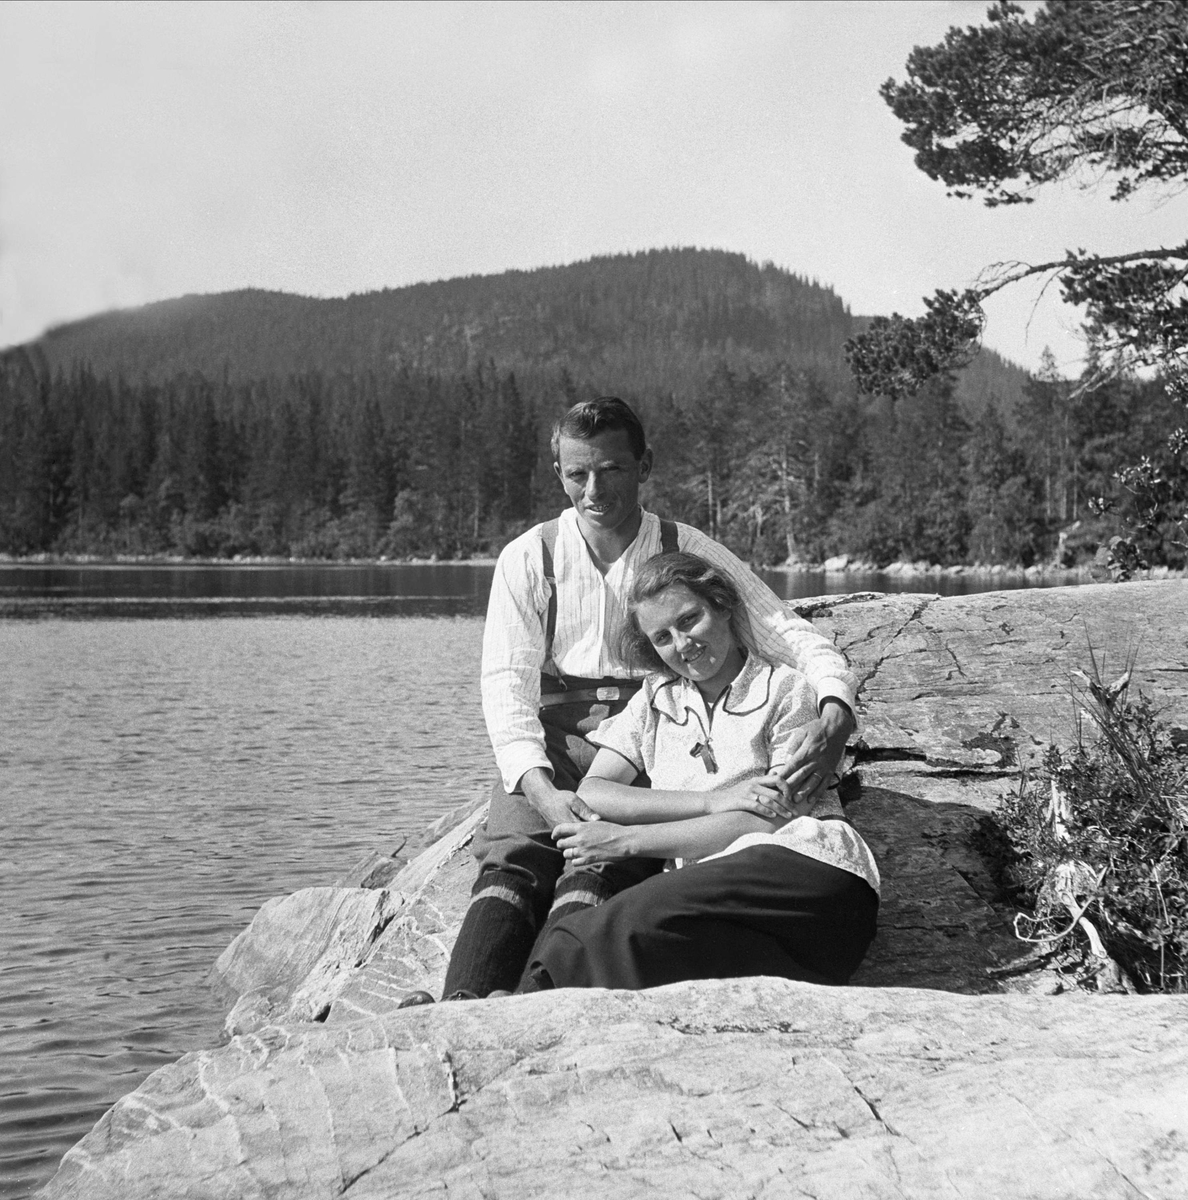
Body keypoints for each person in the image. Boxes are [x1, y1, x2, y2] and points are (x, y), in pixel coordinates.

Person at [409, 397, 859, 1005]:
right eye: (578, 474)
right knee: (515, 855)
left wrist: (835, 707)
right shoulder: (528, 558)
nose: (595, 489)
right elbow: (505, 690)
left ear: (644, 466)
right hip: (559, 740)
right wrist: (541, 791)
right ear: (559, 474)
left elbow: (790, 635)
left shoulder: (685, 547)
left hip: (651, 735)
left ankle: (539, 1002)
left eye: (613, 469)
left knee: (599, 866)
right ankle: (461, 1003)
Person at [518, 551, 879, 992]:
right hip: (726, 920)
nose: (683, 644)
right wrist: (711, 801)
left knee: (624, 919)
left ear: (722, 606)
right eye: (662, 638)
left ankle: (495, 1013)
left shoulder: (787, 688)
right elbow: (595, 790)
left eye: (689, 620)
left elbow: (774, 815)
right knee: (610, 947)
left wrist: (629, 840)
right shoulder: (656, 699)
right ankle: (505, 1013)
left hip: (804, 883)